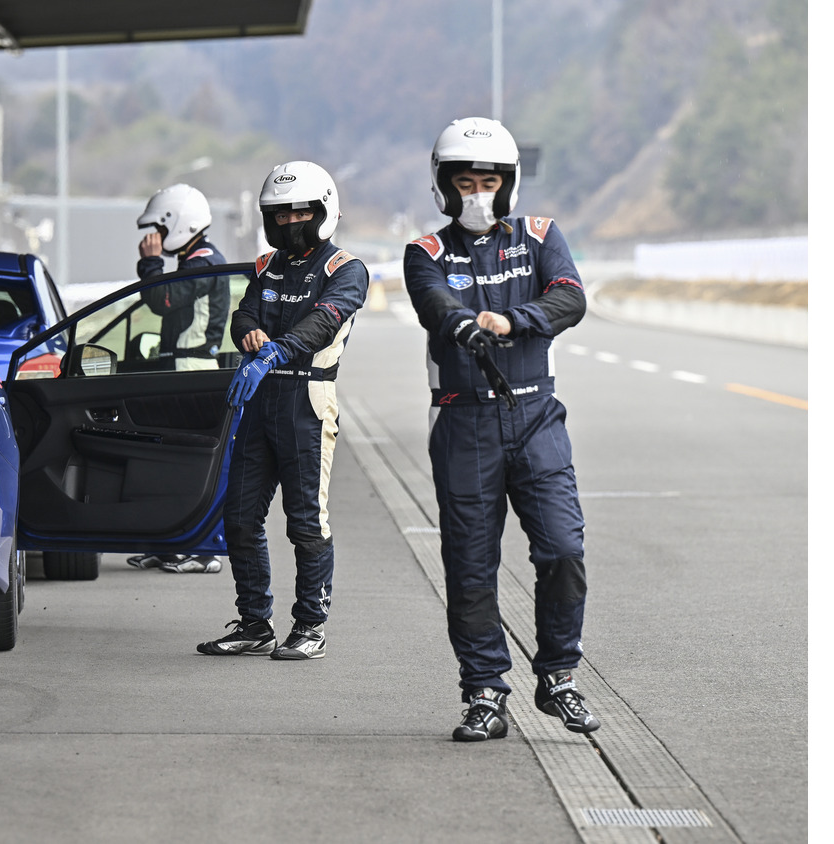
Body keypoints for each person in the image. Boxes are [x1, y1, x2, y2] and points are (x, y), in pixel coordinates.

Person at [402, 117, 601, 741]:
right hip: (465, 421)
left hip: (537, 414)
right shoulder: (424, 253)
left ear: (509, 183)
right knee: (470, 566)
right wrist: (463, 325)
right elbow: (434, 303)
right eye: (465, 181)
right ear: (443, 185)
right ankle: (484, 691)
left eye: (489, 180)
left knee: (564, 548)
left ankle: (559, 676)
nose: (478, 192)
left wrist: (517, 321)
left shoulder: (541, 236)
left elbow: (571, 297)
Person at [195, 161, 369, 660]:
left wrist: (275, 350)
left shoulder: (346, 269)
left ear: (323, 211)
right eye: (280, 213)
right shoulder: (267, 265)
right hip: (260, 398)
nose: (291, 221)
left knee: (306, 521)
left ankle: (310, 625)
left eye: (301, 211)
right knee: (240, 516)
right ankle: (254, 623)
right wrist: (247, 332)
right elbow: (244, 311)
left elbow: (325, 319)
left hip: (307, 400)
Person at [125, 183, 230, 575]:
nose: (155, 238)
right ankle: (172, 543)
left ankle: (203, 550)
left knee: (191, 463)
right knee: (171, 460)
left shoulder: (203, 262)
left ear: (178, 224)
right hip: (180, 369)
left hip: (193, 372)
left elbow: (161, 300)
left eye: (160, 230)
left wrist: (150, 263)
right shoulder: (194, 260)